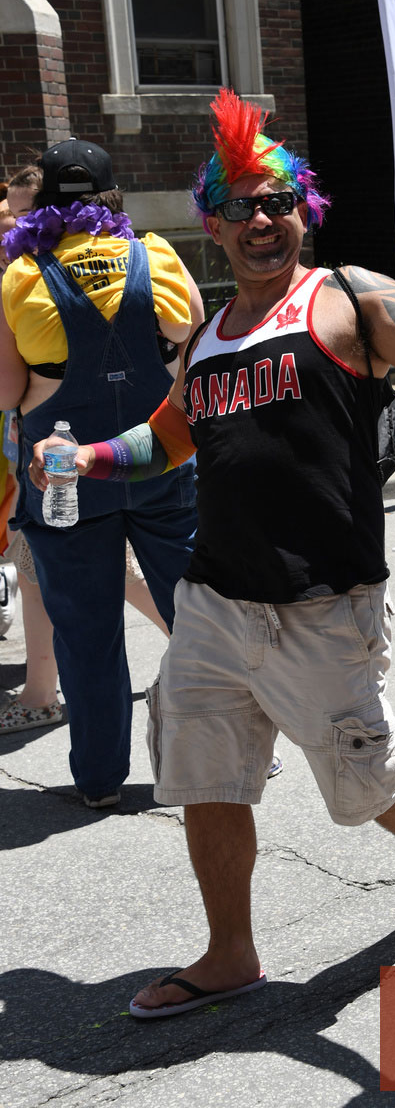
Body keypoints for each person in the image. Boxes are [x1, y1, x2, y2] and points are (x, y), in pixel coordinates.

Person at [31, 89, 395, 1016]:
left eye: (279, 201)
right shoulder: (205, 338)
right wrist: (87, 455)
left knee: (365, 780)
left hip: (324, 604)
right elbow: (169, 437)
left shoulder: (345, 299)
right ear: (212, 222)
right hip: (213, 600)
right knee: (204, 773)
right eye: (243, 205)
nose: (264, 219)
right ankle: (229, 952)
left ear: (304, 210)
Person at [1, 137, 203, 803]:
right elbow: (195, 352)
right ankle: (232, 757)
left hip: (65, 480)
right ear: (114, 197)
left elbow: (6, 392)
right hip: (161, 466)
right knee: (200, 617)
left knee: (87, 635)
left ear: (45, 206)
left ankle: (98, 779)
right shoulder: (158, 259)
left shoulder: (20, 279)